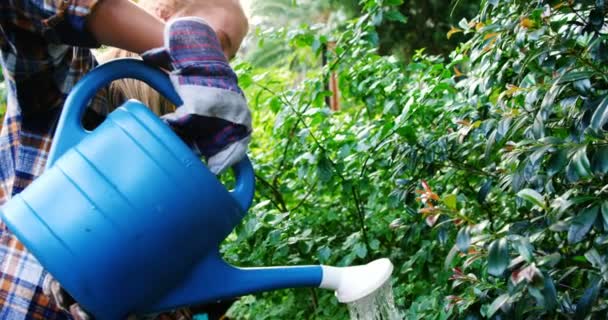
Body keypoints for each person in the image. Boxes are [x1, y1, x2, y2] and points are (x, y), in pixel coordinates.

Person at [0, 0, 250, 319]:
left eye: (227, 60)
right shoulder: (74, 91)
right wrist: (185, 52)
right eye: (216, 43)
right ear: (164, 13)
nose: (222, 67)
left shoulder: (186, 182)